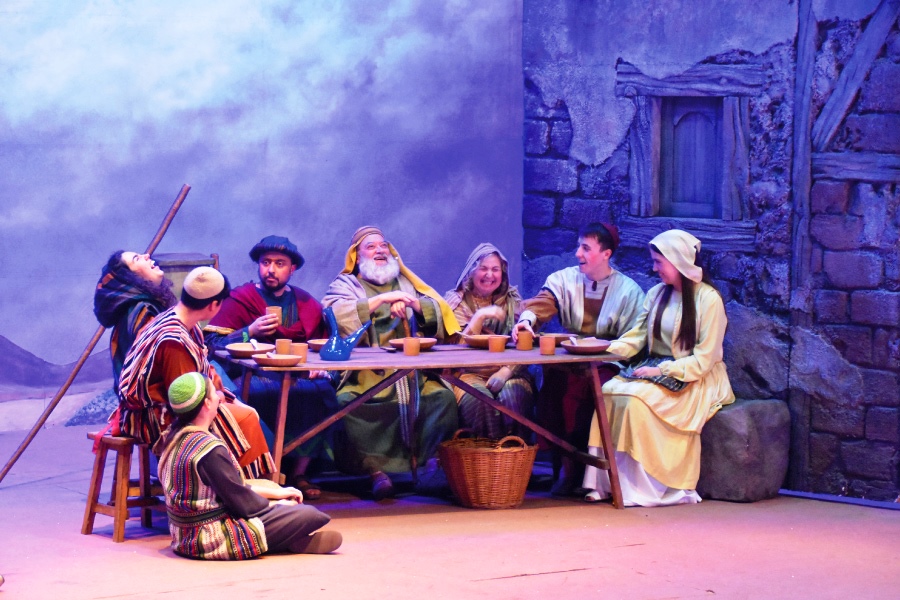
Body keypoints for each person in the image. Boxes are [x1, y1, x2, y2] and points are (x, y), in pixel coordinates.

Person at [581, 229, 735, 506]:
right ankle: (606, 481)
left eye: (658, 262)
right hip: (655, 368)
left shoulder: (708, 299)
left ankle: (640, 486)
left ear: (678, 261)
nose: (654, 268)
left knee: (636, 400)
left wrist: (663, 370)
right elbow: (637, 336)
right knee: (608, 391)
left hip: (694, 375)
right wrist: (602, 348)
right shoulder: (656, 294)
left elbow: (705, 358)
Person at [321, 226, 460, 500]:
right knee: (348, 403)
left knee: (441, 399)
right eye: (371, 247)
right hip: (366, 370)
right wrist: (383, 299)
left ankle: (431, 468)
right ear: (357, 256)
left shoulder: (405, 283)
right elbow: (334, 313)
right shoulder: (347, 285)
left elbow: (437, 309)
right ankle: (375, 473)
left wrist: (412, 305)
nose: (380, 251)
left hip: (410, 370)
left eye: (383, 246)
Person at [512, 222, 644, 496]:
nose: (578, 254)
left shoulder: (628, 291)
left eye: (586, 248)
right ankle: (564, 468)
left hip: (607, 361)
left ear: (606, 254)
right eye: (578, 246)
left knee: (592, 395)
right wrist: (527, 321)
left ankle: (592, 473)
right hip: (569, 360)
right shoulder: (565, 279)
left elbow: (636, 334)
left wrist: (609, 351)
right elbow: (543, 302)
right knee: (554, 390)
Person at [205, 235, 336, 499]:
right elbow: (211, 345)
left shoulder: (304, 303)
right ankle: (261, 473)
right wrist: (249, 331)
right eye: (266, 263)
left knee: (323, 393)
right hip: (251, 374)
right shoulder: (240, 298)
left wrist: (318, 369)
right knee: (255, 397)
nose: (271, 270)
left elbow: (321, 345)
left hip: (297, 374)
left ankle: (299, 473)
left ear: (292, 268)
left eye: (279, 263)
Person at [159, 372, 341, 559]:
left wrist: (278, 494)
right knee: (308, 514)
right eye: (215, 393)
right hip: (208, 537)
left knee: (273, 488)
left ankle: (291, 540)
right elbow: (241, 501)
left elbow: (232, 487)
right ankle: (287, 539)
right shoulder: (208, 449)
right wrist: (278, 505)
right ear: (206, 403)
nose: (219, 398)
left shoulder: (174, 437)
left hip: (183, 535)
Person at [118, 266, 274, 479]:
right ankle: (241, 488)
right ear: (213, 305)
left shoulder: (183, 322)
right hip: (155, 417)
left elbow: (204, 370)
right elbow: (186, 397)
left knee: (244, 410)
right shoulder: (173, 340)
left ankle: (246, 485)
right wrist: (218, 400)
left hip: (176, 404)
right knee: (245, 418)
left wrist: (223, 395)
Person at [443, 243, 534, 438]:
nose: (489, 275)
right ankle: (485, 455)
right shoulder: (455, 301)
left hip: (508, 369)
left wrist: (505, 372)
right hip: (467, 374)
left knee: (513, 397)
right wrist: (479, 317)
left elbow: (524, 344)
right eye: (483, 268)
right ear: (472, 271)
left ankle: (515, 454)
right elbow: (457, 353)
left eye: (495, 269)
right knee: (480, 400)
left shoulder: (512, 301)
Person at [94, 251, 177, 389]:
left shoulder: (145, 307)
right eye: (136, 259)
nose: (147, 255)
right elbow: (165, 365)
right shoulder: (143, 313)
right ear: (131, 278)